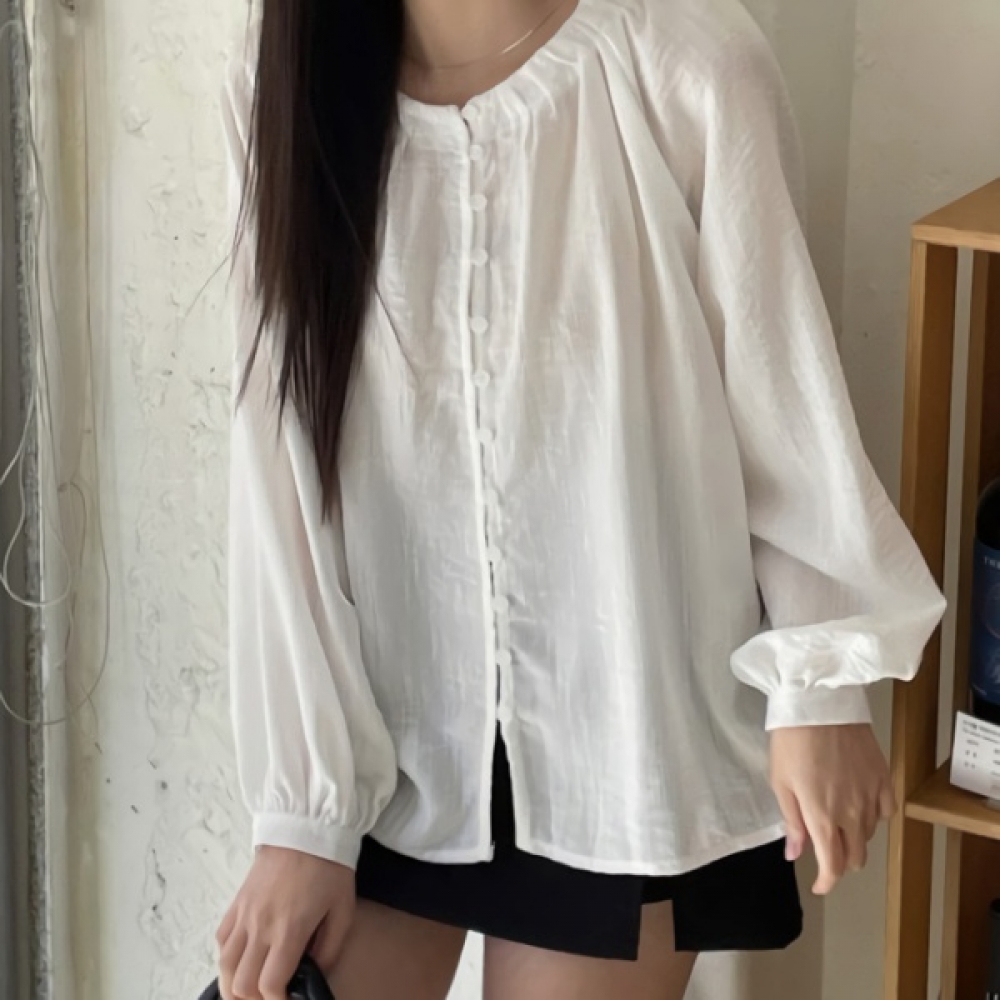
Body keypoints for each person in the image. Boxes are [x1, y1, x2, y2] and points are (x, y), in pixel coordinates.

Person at [213, 0, 947, 997]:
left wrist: (818, 679)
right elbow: (279, 466)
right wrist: (300, 816)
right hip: (382, 747)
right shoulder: (282, 85)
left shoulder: (685, 63)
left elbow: (778, 397)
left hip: (621, 736)